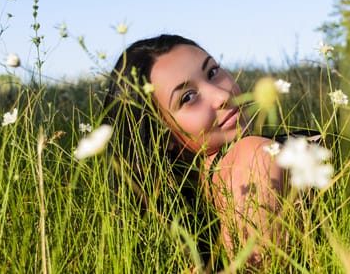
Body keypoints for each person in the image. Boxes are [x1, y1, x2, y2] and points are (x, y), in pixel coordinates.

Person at [102, 34, 295, 270]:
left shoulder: (186, 205)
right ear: (163, 136)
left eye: (213, 72)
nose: (222, 96)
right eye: (188, 97)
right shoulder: (251, 157)